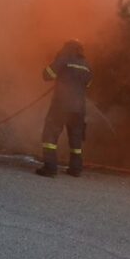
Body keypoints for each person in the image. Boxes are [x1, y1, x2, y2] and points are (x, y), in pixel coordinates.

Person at [36, 40, 93, 178]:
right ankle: (76, 169)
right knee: (76, 140)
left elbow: (47, 75)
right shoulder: (87, 66)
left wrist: (59, 67)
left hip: (61, 106)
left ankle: (50, 168)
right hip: (79, 109)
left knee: (50, 135)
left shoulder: (63, 59)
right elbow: (89, 84)